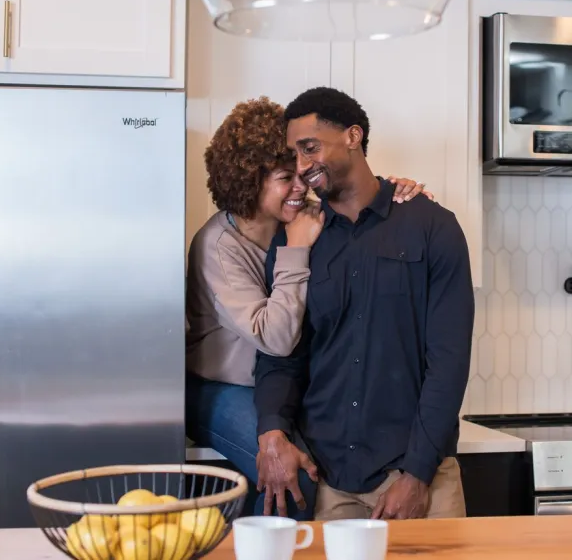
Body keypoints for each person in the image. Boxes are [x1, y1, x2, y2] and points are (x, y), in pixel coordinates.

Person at [185, 96, 430, 520]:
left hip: (281, 390)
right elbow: (276, 339)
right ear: (248, 181)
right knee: (294, 479)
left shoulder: (300, 217)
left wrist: (398, 192)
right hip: (222, 387)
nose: (301, 185)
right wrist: (296, 251)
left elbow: (359, 200)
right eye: (285, 177)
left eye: (300, 170)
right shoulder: (219, 247)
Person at [253, 87, 475, 521]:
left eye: (310, 148)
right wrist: (272, 430)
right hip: (330, 482)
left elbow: (448, 361)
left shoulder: (433, 228)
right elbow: (282, 356)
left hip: (420, 476)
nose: (301, 166)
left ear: (353, 136)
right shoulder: (296, 240)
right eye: (293, 154)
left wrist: (416, 474)